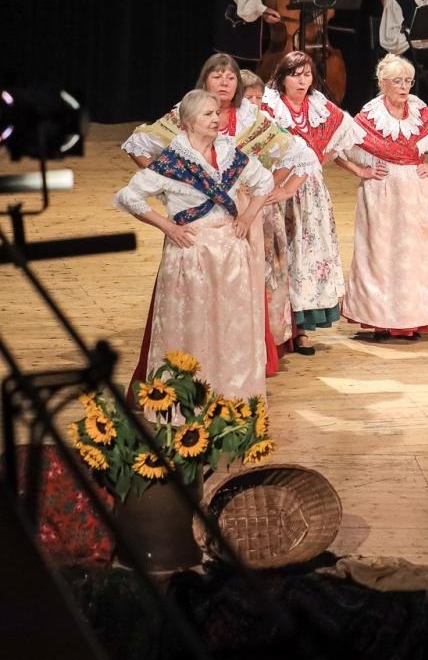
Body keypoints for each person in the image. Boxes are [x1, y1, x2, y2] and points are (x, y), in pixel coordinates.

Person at [121, 53, 314, 375]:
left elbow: (300, 155)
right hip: (194, 220)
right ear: (205, 81)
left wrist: (283, 189)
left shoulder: (252, 119)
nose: (224, 82)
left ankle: (238, 362)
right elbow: (137, 146)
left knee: (242, 288)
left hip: (240, 212)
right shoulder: (185, 115)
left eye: (230, 77)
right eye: (217, 76)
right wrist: (170, 178)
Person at [116, 90, 275, 400]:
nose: (216, 118)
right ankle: (189, 400)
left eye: (217, 113)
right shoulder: (172, 162)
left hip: (231, 252)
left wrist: (247, 215)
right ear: (188, 122)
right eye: (207, 114)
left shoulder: (230, 154)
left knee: (231, 326)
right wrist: (167, 226)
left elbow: (264, 183)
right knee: (191, 328)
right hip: (192, 252)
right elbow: (129, 196)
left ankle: (233, 397)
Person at [341, 55, 428, 339]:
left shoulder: (419, 111)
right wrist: (360, 170)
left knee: (414, 255)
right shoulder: (370, 115)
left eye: (408, 81)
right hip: (381, 189)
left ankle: (412, 318)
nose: (404, 87)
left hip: (414, 189)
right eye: (397, 81)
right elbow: (338, 144)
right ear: (382, 83)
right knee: (379, 253)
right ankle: (380, 319)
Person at [262, 50, 365, 351]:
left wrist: (324, 159)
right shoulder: (269, 106)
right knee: (281, 254)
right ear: (282, 78)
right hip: (278, 186)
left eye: (307, 74)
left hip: (311, 190)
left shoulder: (318, 106)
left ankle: (302, 328)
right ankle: (276, 325)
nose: (302, 80)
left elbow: (344, 134)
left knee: (307, 255)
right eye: (295, 74)